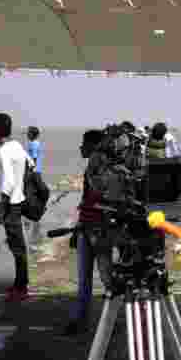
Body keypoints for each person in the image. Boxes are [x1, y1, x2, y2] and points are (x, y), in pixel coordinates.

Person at [63, 129, 112, 335]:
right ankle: (85, 321)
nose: (81, 147)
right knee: (97, 278)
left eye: (84, 143)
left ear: (93, 146)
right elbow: (87, 201)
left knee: (100, 279)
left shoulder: (97, 167)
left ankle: (91, 322)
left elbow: (96, 199)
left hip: (96, 230)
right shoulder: (97, 167)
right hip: (90, 228)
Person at [0, 112, 32, 303]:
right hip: (20, 202)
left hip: (11, 205)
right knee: (19, 247)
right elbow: (31, 164)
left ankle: (21, 287)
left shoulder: (5, 149)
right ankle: (19, 284)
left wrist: (1, 208)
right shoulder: (17, 146)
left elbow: (8, 181)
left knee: (17, 247)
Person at [24, 126, 44, 250]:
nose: (27, 134)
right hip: (36, 173)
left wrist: (29, 173)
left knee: (30, 197)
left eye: (28, 133)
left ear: (32, 134)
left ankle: (34, 230)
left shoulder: (33, 144)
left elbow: (34, 159)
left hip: (33, 174)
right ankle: (35, 229)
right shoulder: (36, 143)